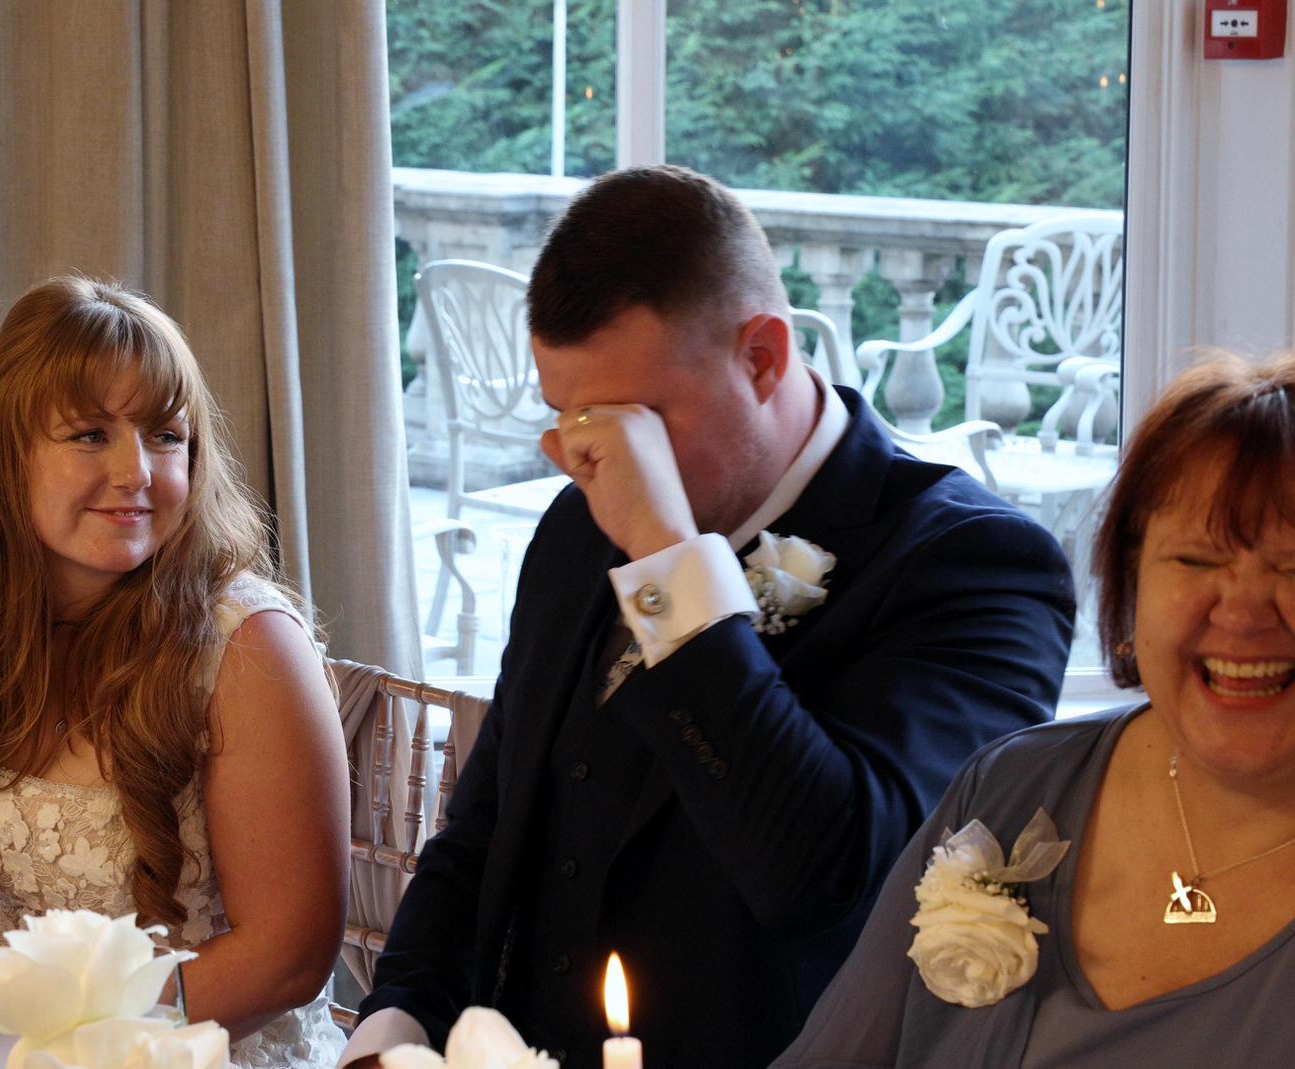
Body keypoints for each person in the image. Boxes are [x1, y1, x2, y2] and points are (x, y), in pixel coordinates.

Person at [346, 166, 1076, 1069]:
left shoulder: (976, 566)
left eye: (635, 418)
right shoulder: (577, 524)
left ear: (762, 357)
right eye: (568, 414)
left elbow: (830, 881)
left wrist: (668, 565)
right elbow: (490, 822)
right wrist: (397, 1022)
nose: (587, 456)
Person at [0, 277, 350, 1069]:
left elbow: (288, 956)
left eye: (165, 435)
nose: (137, 471)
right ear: (7, 453)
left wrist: (50, 1043)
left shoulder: (248, 647)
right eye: (91, 434)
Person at [774, 352, 1295, 1067]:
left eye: (1293, 566)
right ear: (1132, 581)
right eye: (1197, 560)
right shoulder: (1010, 791)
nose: (1240, 612)